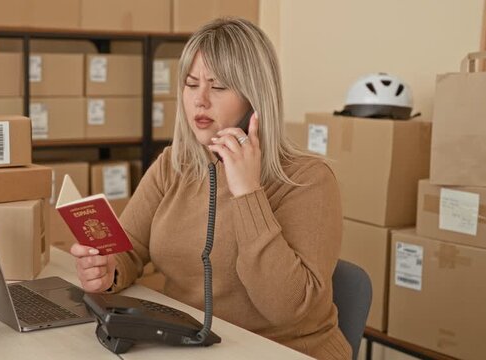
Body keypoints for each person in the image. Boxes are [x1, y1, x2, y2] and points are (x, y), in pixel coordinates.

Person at [70, 17, 351, 360]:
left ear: (254, 99)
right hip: (191, 345)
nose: (200, 101)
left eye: (218, 88)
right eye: (191, 84)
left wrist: (247, 193)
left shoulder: (308, 179)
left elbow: (289, 308)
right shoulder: (175, 164)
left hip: (284, 351)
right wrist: (108, 269)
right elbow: (128, 249)